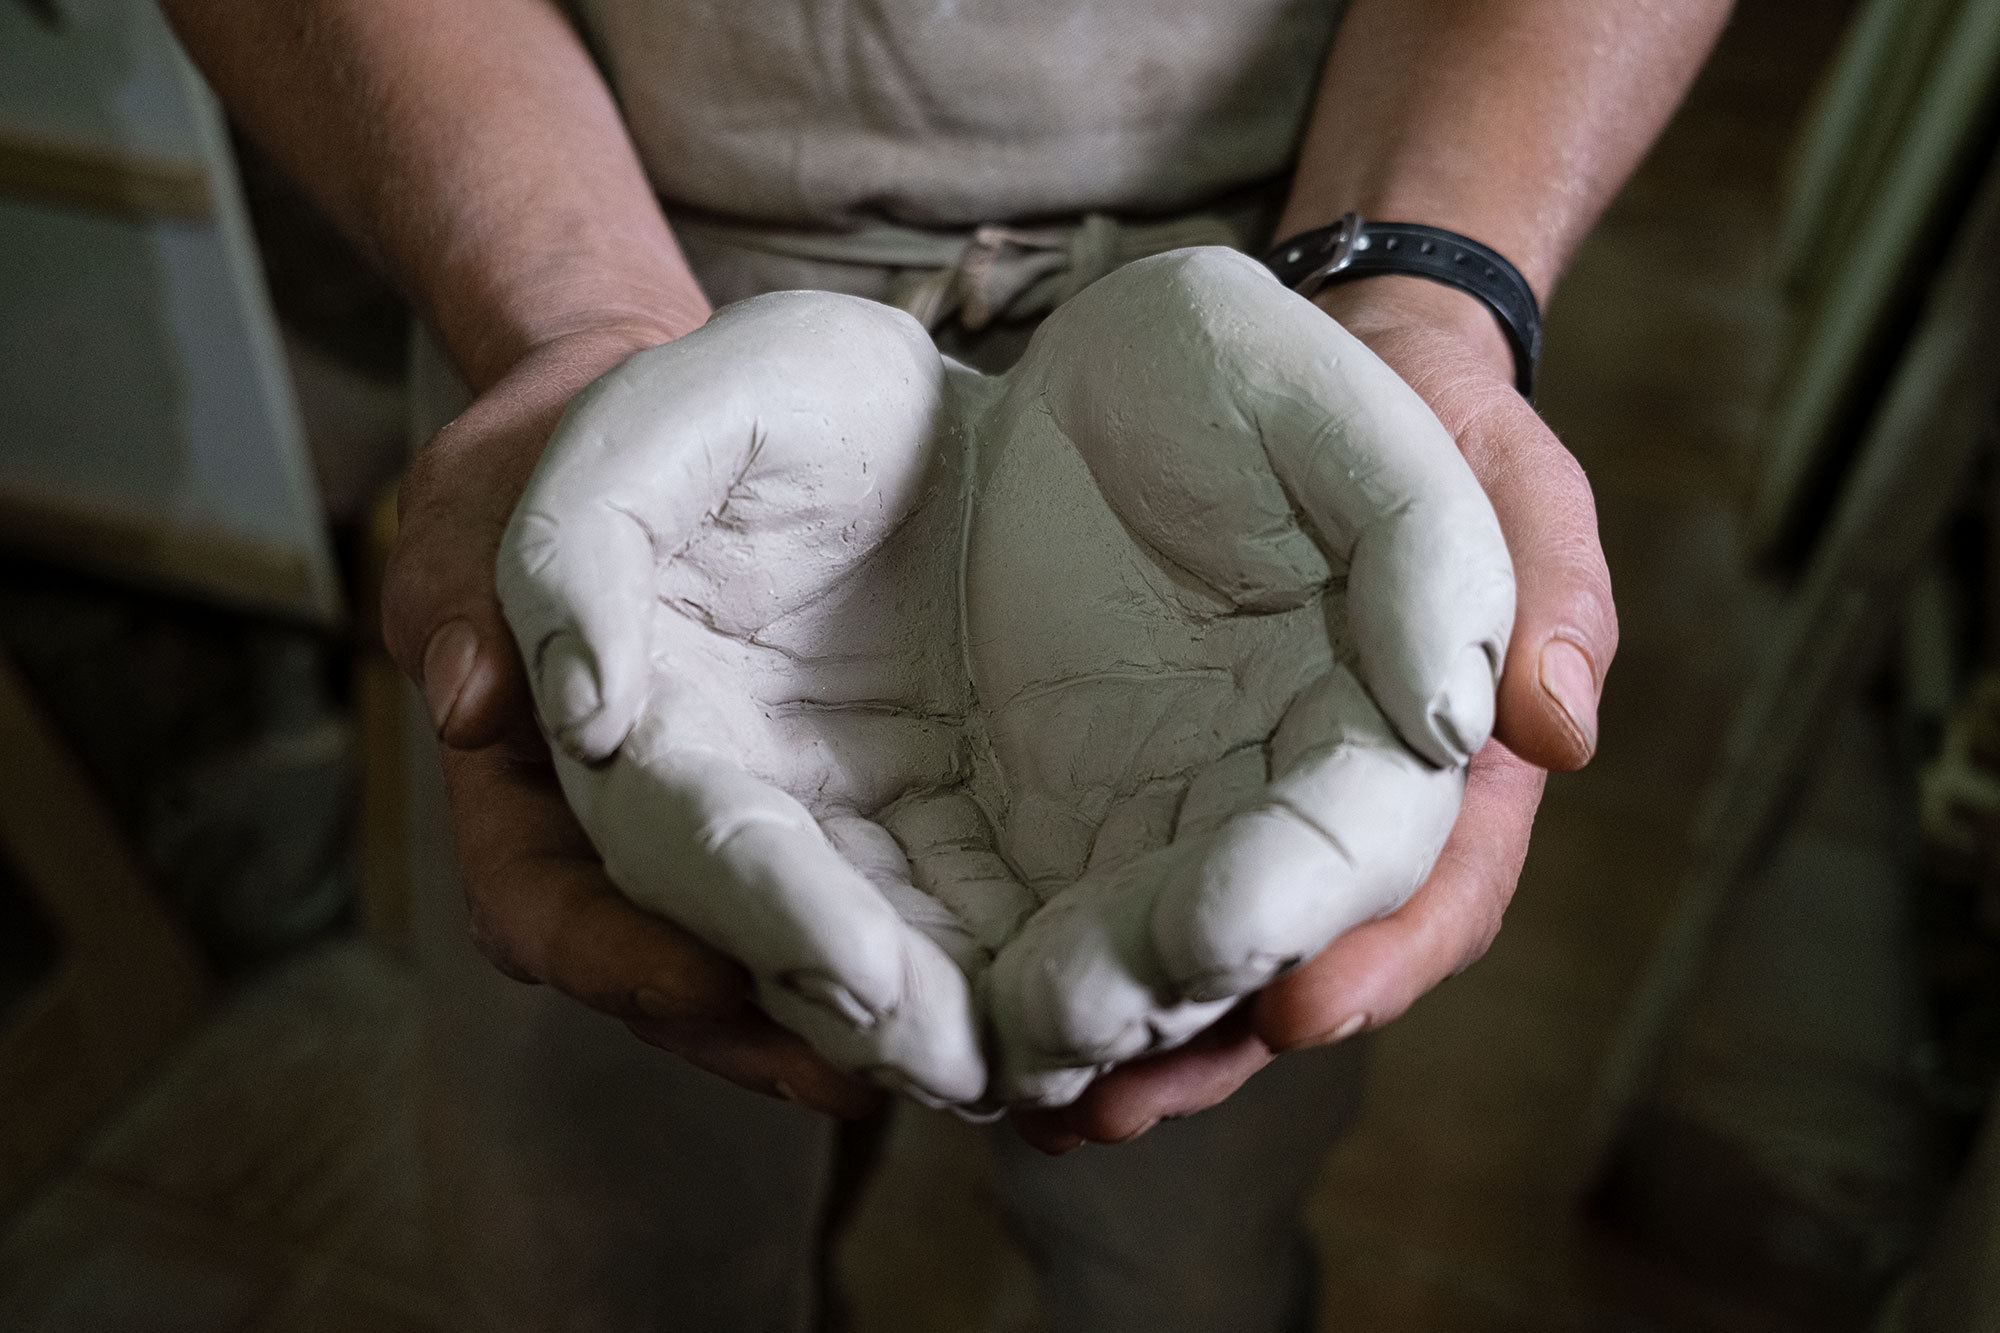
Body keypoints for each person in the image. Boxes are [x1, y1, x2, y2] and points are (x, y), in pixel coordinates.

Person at [162, 1, 1726, 1327]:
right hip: (633, 342)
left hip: (1283, 367)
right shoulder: (623, 408)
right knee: (607, 1253)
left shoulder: (1300, 419)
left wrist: (1416, 296)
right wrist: (570, 320)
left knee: (1186, 1262)